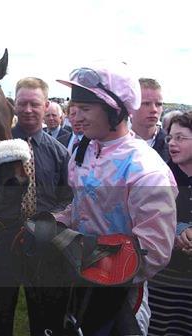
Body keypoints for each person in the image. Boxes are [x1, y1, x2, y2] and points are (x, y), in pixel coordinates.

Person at [54, 63, 177, 335]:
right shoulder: (84, 151)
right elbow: (79, 207)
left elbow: (153, 250)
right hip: (80, 284)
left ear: (115, 111)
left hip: (122, 297)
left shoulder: (146, 169)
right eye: (74, 109)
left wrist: (79, 248)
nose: (77, 116)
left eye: (85, 109)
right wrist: (54, 223)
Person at [0, 77, 72, 335]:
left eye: (34, 104)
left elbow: (68, 197)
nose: (28, 109)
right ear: (13, 105)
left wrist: (52, 219)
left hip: (43, 245)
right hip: (1, 244)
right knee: (1, 316)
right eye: (22, 103)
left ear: (46, 106)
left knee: (43, 318)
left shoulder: (60, 153)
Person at [147, 111, 192, 336]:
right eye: (170, 137)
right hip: (163, 281)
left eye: (180, 138)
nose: (172, 143)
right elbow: (146, 220)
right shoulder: (158, 177)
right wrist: (178, 233)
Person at [131, 78, 168, 161]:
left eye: (158, 104)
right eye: (146, 103)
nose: (154, 109)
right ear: (131, 105)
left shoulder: (171, 145)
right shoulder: (115, 144)